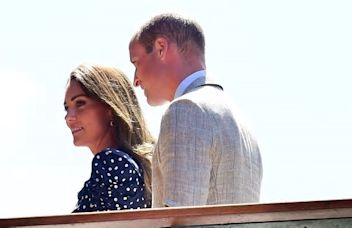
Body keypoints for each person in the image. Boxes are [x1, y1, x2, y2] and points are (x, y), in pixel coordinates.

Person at [129, 13, 263, 208]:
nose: (135, 80)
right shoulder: (241, 122)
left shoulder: (186, 111)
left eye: (136, 62)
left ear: (161, 48)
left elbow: (179, 218)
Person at [64, 64, 155, 212]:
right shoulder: (133, 163)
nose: (69, 117)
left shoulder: (111, 162)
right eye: (67, 108)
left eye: (80, 103)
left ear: (110, 108)